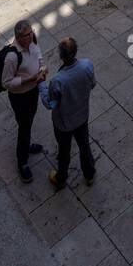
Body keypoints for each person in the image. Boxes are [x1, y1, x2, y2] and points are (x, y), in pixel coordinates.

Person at [39, 36, 97, 189]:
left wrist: (41, 83)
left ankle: (61, 177)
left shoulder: (58, 80)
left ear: (61, 56)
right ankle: (89, 174)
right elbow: (92, 85)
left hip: (63, 123)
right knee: (84, 145)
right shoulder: (87, 66)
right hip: (82, 116)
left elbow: (49, 103)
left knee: (64, 152)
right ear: (76, 51)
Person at [1, 20, 46, 184]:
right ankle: (22, 161)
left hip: (33, 91)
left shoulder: (32, 42)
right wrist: (27, 79)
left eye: (31, 32)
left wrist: (41, 69)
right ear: (19, 37)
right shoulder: (12, 57)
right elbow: (6, 83)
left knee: (29, 121)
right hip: (20, 97)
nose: (31, 35)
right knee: (24, 126)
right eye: (28, 34)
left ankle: (27, 146)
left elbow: (38, 55)